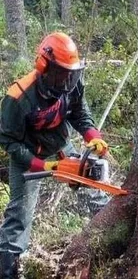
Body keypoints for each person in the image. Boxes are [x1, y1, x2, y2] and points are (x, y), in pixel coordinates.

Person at [0, 32, 109, 278]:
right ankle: (8, 271)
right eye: (61, 73)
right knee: (20, 215)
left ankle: (112, 235)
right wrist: (42, 165)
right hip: (28, 156)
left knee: (94, 186)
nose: (67, 80)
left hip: (61, 146)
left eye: (71, 74)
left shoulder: (72, 83)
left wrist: (93, 136)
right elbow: (9, 141)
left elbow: (80, 113)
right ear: (44, 66)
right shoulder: (18, 97)